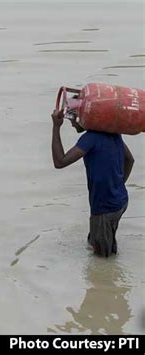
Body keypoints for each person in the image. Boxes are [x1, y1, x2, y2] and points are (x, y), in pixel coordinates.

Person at [51, 108, 135, 257]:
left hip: (105, 208)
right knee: (96, 243)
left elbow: (60, 161)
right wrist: (118, 185)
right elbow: (130, 160)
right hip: (120, 201)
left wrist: (56, 126)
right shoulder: (114, 134)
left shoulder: (90, 139)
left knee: (103, 260)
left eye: (73, 118)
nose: (72, 123)